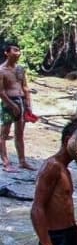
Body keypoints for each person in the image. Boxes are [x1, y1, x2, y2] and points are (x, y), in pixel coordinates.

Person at [1, 43, 35, 172]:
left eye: (19, 51)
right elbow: (1, 92)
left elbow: (25, 87)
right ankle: (6, 162)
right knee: (4, 133)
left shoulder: (20, 69)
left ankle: (22, 161)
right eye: (15, 50)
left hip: (21, 102)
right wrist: (12, 105)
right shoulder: (1, 71)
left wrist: (28, 105)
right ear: (7, 53)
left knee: (19, 133)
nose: (18, 53)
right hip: (8, 103)